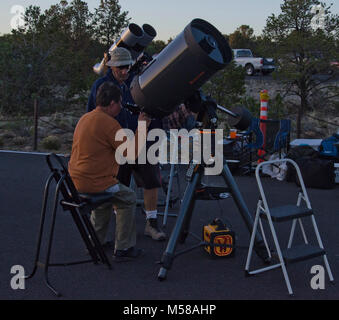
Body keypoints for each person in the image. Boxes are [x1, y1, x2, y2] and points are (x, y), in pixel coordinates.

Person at [87, 47, 166, 241]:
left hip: (140, 142)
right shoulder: (101, 85)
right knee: (118, 185)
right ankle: (121, 230)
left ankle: (151, 224)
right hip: (115, 145)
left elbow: (150, 109)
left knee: (151, 180)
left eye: (127, 67)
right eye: (120, 68)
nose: (125, 71)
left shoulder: (137, 83)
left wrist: (153, 135)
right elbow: (92, 115)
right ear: (112, 66)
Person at [69, 81, 151, 262]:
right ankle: (124, 247)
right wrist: (142, 126)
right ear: (112, 103)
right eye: (120, 103)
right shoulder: (109, 124)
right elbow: (131, 154)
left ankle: (95, 241)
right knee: (128, 197)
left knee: (104, 201)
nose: (121, 107)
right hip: (95, 182)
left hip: (74, 180)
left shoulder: (86, 118)